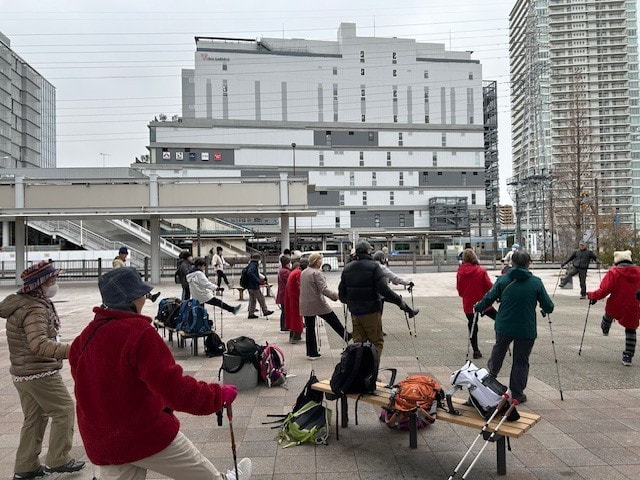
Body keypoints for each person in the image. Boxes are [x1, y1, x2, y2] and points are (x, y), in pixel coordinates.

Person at [68, 267, 252, 480]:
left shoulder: (84, 338)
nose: (145, 299)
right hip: (143, 433)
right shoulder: (139, 333)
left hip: (103, 439)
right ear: (133, 298)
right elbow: (174, 388)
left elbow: (89, 387)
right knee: (206, 476)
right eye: (142, 294)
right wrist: (217, 396)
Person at [0, 260, 85, 480]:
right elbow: (39, 345)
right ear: (40, 284)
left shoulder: (22, 303)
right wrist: (74, 350)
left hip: (23, 372)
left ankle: (26, 466)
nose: (55, 285)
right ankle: (59, 459)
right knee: (64, 410)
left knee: (35, 418)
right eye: (52, 281)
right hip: (39, 372)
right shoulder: (35, 308)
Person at [474, 250, 554, 404]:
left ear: (512, 263)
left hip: (504, 324)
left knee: (499, 351)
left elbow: (489, 298)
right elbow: (548, 306)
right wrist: (546, 309)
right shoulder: (536, 282)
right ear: (528, 264)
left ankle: (491, 379)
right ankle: (517, 394)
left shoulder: (503, 280)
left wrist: (478, 306)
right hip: (526, 327)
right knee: (521, 360)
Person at [338, 241, 419, 358]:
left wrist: (351, 302)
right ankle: (372, 368)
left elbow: (341, 293)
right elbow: (384, 290)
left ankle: (360, 367)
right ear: (368, 251)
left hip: (355, 312)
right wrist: (399, 301)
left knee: (358, 343)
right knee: (376, 342)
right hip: (371, 310)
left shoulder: (348, 268)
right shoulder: (374, 267)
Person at [588, 250, 640, 366]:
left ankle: (605, 328)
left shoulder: (614, 272)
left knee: (609, 313)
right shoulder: (639, 272)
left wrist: (593, 296)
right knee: (631, 329)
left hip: (616, 303)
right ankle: (628, 356)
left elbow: (604, 290)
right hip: (633, 304)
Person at [300, 253, 350, 360]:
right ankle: (346, 336)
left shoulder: (304, 272)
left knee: (310, 328)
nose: (321, 262)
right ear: (316, 261)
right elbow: (323, 289)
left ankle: (312, 353)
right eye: (320, 260)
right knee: (333, 320)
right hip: (317, 303)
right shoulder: (316, 273)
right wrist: (336, 296)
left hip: (305, 303)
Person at [456, 248, 497, 359]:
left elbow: (460, 290)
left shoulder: (460, 272)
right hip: (483, 302)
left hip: (469, 303)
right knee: (498, 318)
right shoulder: (481, 271)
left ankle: (476, 350)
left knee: (472, 324)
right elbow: (489, 287)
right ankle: (503, 343)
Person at [284, 258, 307, 344]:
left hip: (291, 298)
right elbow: (299, 286)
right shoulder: (298, 273)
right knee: (296, 318)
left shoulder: (295, 272)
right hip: (295, 298)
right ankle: (296, 337)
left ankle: (294, 336)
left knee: (293, 317)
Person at [245, 253, 274, 319]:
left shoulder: (251, 264)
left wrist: (262, 278)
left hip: (250, 285)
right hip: (254, 285)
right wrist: (257, 280)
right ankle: (265, 311)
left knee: (253, 300)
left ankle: (251, 313)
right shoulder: (254, 264)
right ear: (257, 259)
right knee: (261, 298)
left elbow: (256, 273)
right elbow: (250, 272)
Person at [276, 256, 292, 333]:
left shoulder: (282, 270)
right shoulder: (286, 272)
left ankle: (285, 325)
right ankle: (283, 326)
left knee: (285, 311)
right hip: (285, 294)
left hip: (282, 293)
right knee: (285, 311)